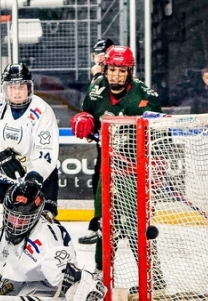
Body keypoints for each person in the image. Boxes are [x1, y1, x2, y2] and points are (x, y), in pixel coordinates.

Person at [69, 46, 162, 278]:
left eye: (121, 71)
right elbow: (89, 118)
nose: (116, 76)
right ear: (105, 69)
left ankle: (151, 276)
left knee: (134, 225)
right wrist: (86, 122)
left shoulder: (144, 94)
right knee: (103, 223)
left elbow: (157, 127)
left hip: (134, 169)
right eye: (112, 70)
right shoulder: (97, 89)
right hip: (107, 168)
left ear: (129, 72)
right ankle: (101, 275)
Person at [0, 63, 60, 217]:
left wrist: (34, 177)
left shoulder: (43, 111)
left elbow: (46, 153)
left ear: (29, 88)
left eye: (21, 87)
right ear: (5, 88)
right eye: (12, 87)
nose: (17, 92)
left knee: (43, 223)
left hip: (33, 175)